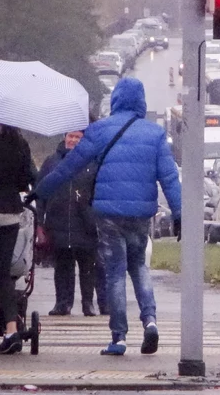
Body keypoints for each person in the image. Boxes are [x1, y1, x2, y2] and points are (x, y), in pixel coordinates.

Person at [35, 78, 181, 356]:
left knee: (115, 273)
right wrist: (180, 213)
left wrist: (39, 191)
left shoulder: (100, 131)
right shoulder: (155, 134)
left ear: (115, 100)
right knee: (139, 268)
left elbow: (69, 167)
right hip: (140, 215)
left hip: (108, 214)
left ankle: (119, 337)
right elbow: (170, 178)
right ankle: (150, 321)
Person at [36, 129, 102, 316]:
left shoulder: (92, 162)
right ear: (64, 137)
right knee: (63, 267)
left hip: (85, 224)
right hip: (59, 223)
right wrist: (41, 221)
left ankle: (88, 303)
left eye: (77, 137)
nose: (73, 140)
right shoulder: (51, 162)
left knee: (87, 267)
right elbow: (41, 193)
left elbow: (98, 191)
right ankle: (62, 303)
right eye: (70, 136)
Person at [0, 123, 35, 355]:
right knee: (3, 273)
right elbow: (28, 179)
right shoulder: (19, 143)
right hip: (9, 213)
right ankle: (11, 330)